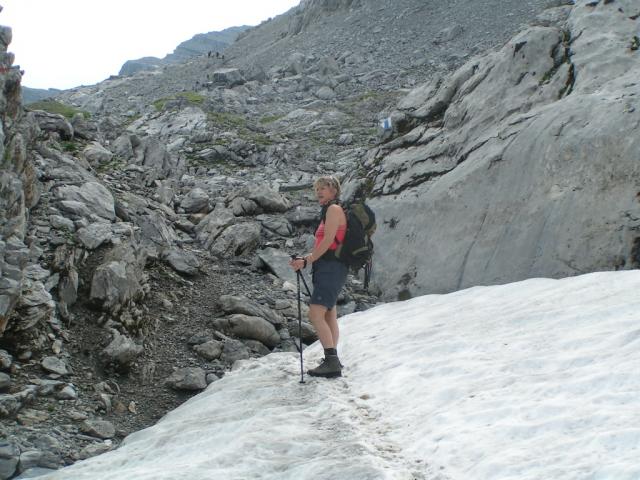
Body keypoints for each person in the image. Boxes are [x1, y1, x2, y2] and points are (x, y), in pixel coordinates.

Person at [290, 176, 348, 378]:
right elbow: (325, 244)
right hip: (330, 267)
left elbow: (329, 240)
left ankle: (332, 362)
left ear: (334, 190)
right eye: (317, 189)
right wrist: (307, 259)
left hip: (331, 267)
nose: (319, 192)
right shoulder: (330, 210)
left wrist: (307, 260)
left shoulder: (333, 210)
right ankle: (333, 359)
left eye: (323, 188)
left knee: (315, 314)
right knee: (328, 314)